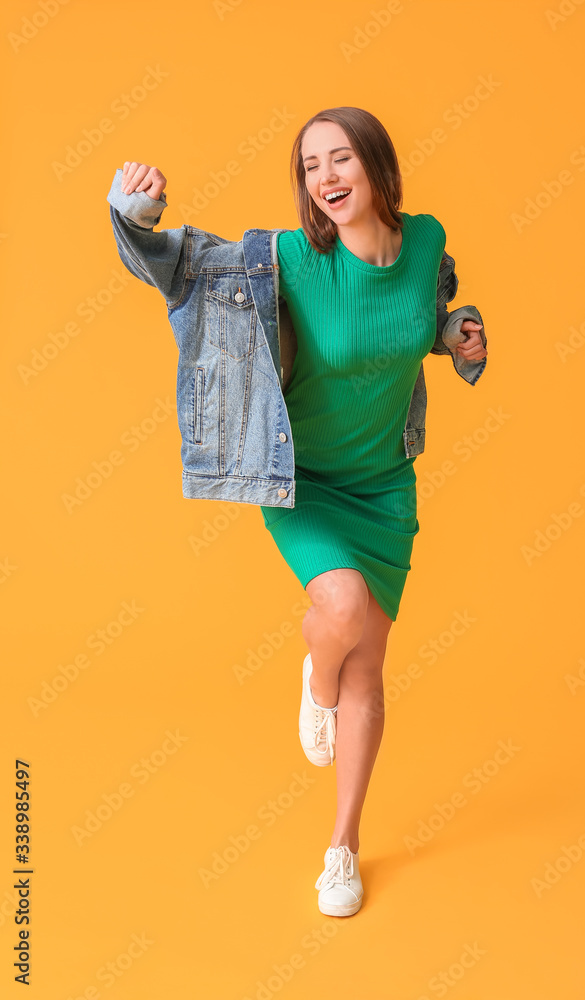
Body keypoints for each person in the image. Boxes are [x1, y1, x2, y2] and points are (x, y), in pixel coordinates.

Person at [119, 105, 487, 918]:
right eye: (311, 165)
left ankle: (341, 849)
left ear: (378, 168)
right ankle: (313, 685)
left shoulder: (425, 242)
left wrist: (455, 331)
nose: (324, 178)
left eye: (340, 159)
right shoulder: (285, 261)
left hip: (385, 486)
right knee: (340, 608)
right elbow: (179, 267)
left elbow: (414, 323)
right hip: (304, 480)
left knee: (371, 671)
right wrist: (132, 217)